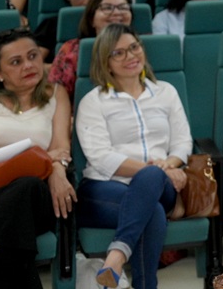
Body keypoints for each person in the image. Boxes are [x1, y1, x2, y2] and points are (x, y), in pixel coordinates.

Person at [76, 25, 190, 289]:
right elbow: (100, 156)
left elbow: (182, 142)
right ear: (106, 61)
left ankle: (116, 257)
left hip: (164, 185)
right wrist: (155, 170)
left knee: (152, 181)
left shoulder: (166, 92)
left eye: (134, 47)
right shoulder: (94, 101)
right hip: (105, 188)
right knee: (153, 211)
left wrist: (166, 167)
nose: (130, 56)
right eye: (118, 53)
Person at [0, 29, 76, 288]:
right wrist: (42, 156)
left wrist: (56, 170)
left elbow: (61, 148)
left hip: (38, 190)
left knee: (27, 185)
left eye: (33, 56)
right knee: (13, 242)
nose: (28, 65)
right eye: (16, 61)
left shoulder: (55, 94)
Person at [49, 0, 134, 96]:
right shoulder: (71, 50)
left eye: (123, 7)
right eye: (107, 8)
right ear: (91, 19)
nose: (117, 13)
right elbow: (56, 96)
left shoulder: (143, 47)